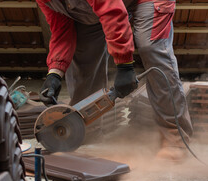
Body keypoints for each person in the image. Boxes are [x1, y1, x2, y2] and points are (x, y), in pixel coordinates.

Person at [36, 0, 193, 161]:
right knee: (83, 50)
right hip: (99, 7)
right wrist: (55, 73)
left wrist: (124, 65)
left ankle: (175, 138)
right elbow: (62, 29)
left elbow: (113, 13)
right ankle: (86, 129)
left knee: (150, 48)